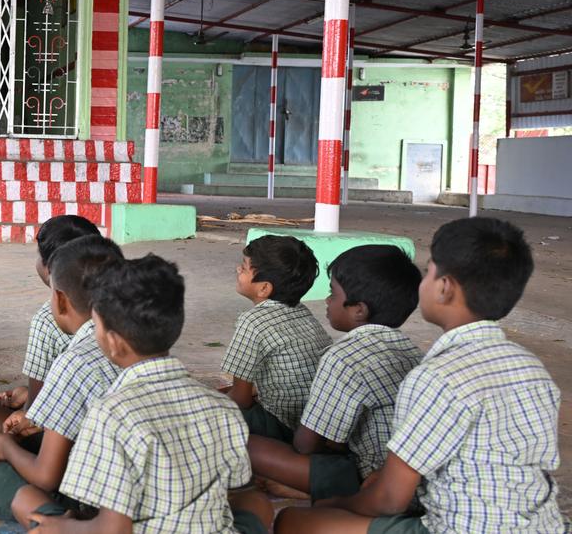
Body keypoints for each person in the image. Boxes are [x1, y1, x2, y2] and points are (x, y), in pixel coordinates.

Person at [278, 217, 567, 534]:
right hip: (543, 526)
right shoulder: (531, 368)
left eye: (429, 271)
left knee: (293, 521)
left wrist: (335, 505)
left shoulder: (435, 376)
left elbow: (390, 500)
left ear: (444, 288)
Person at [26, 255, 272, 534]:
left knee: (36, 510)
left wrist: (62, 528)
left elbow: (113, 528)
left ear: (113, 342)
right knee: (255, 503)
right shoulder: (221, 406)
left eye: (95, 325)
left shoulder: (110, 413)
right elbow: (233, 486)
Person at [0, 235, 123, 526]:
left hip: (94, 498)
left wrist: (7, 449)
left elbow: (47, 475)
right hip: (130, 486)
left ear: (60, 299)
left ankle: (62, 522)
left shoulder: (75, 362)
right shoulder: (135, 343)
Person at [247, 245, 423, 501]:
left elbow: (305, 445)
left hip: (372, 478)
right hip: (411, 477)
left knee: (247, 444)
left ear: (359, 310)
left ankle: (318, 490)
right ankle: (310, 488)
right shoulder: (413, 352)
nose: (328, 301)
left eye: (332, 293)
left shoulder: (343, 356)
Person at [0, 214, 100, 445]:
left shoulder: (48, 319)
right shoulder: (119, 299)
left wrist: (26, 407)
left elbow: (34, 416)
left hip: (68, 438)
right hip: (113, 420)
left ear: (47, 266)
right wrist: (27, 391)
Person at [221, 235, 331, 441]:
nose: (238, 270)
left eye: (244, 268)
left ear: (264, 288)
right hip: (315, 423)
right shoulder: (302, 311)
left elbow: (241, 399)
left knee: (211, 414)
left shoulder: (252, 321)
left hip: (283, 423)